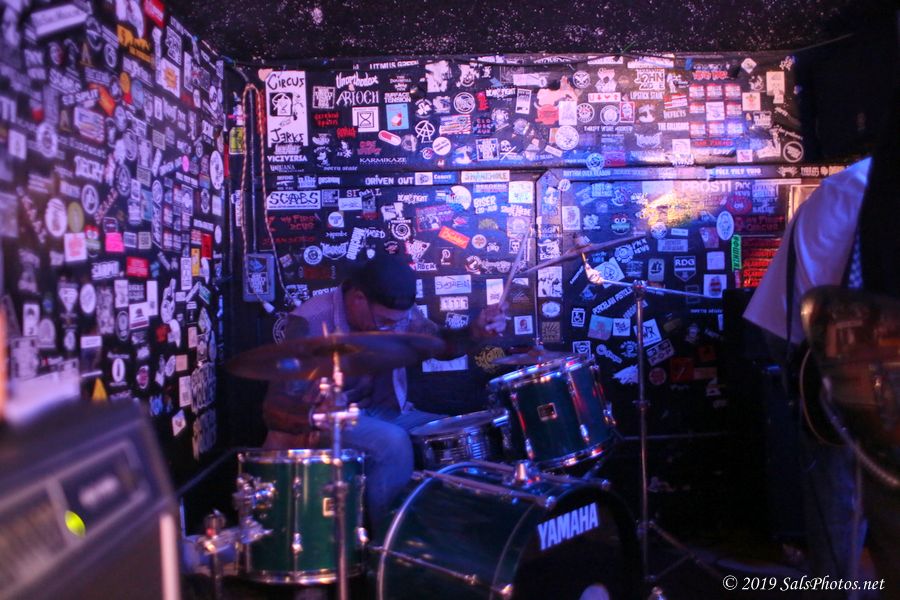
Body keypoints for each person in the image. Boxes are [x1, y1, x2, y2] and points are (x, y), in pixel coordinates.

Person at [262, 253, 507, 531]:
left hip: (390, 412)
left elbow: (441, 346)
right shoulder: (311, 320)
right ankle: (389, 545)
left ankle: (449, 537)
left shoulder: (401, 314)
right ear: (358, 299)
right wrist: (315, 411)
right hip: (331, 422)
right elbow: (277, 407)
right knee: (392, 442)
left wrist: (475, 332)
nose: (392, 326)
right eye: (385, 321)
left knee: (456, 433)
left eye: (397, 322)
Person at [744, 157, 871, 598]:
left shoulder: (863, 181)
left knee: (844, 473)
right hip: (811, 336)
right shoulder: (866, 190)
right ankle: (837, 585)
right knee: (841, 473)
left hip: (813, 327)